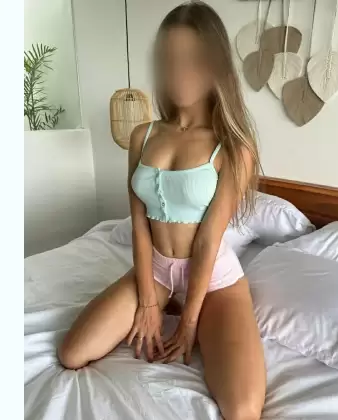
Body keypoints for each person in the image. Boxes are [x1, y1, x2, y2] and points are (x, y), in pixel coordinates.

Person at [58, 2, 265, 419]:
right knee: (72, 353)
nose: (179, 71)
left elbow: (207, 241)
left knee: (242, 409)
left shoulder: (232, 147)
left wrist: (188, 322)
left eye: (192, 59)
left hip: (214, 279)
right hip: (155, 269)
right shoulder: (143, 135)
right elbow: (138, 223)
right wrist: (150, 302)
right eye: (169, 59)